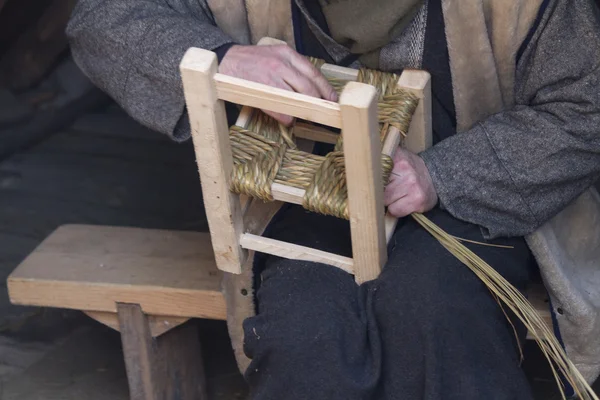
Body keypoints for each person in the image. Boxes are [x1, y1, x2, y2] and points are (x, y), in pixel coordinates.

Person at [66, 1, 600, 398]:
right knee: (307, 331)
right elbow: (101, 21)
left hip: (478, 203)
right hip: (304, 200)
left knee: (432, 310)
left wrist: (444, 174)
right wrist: (221, 59)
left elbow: (585, 106)